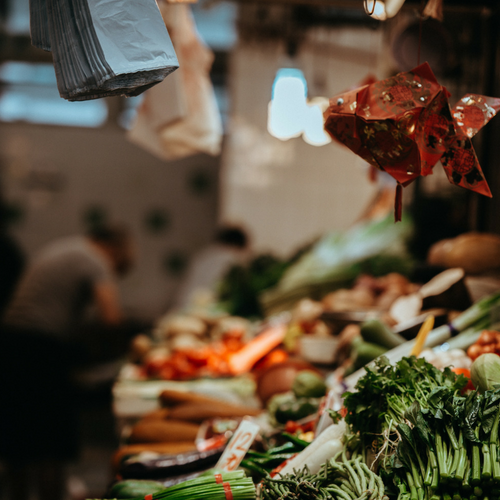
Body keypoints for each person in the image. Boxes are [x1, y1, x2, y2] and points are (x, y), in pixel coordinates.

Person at [0, 224, 135, 500]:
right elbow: (111, 318)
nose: (120, 269)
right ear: (114, 248)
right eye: (123, 262)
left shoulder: (68, 247)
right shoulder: (94, 258)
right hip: (39, 349)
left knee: (20, 441)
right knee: (51, 442)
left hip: (11, 342)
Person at [173, 225, 250, 310]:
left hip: (183, 305)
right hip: (201, 309)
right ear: (239, 246)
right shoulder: (231, 259)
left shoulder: (205, 254)